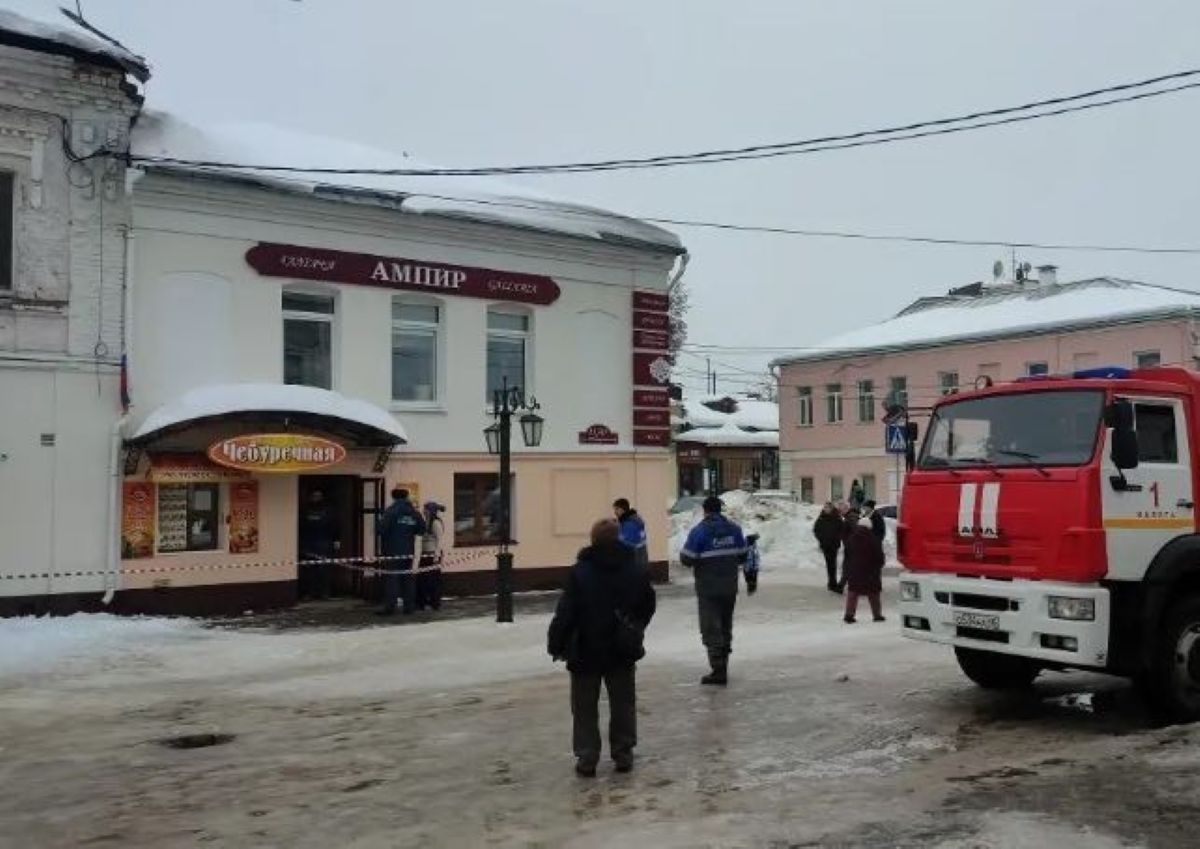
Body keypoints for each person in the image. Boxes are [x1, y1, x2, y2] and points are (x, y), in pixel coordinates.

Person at [547, 519, 657, 778]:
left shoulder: (580, 572)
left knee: (584, 707)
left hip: (585, 649)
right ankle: (623, 753)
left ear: (593, 539)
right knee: (623, 703)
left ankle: (587, 757)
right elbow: (648, 603)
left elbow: (566, 612)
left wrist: (556, 641)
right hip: (622, 648)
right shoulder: (635, 569)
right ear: (618, 537)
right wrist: (635, 627)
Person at [679, 496, 748, 686]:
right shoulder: (734, 529)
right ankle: (724, 664)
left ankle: (718, 670)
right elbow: (743, 555)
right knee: (726, 626)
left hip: (708, 588)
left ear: (705, 510)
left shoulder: (699, 531)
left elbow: (687, 558)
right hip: (729, 587)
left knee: (711, 628)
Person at [377, 488, 426, 615]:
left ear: (393, 497)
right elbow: (422, 529)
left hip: (392, 550)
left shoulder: (391, 511)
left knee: (392, 579)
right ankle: (409, 607)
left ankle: (390, 607)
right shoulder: (414, 512)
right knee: (408, 579)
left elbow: (381, 529)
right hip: (409, 550)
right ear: (407, 497)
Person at [843, 514, 886, 624]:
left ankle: (849, 615)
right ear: (869, 526)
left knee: (853, 593)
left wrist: (848, 568)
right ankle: (877, 615)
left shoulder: (851, 538)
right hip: (871, 571)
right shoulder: (874, 539)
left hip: (854, 570)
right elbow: (879, 556)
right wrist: (879, 566)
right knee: (874, 594)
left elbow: (847, 555)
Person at [298, 490, 339, 600]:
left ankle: (324, 592)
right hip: (308, 542)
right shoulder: (305, 510)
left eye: (318, 496)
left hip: (324, 542)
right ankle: (310, 593)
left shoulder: (329, 510)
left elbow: (335, 525)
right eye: (314, 496)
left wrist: (336, 540)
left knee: (324, 569)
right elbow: (300, 526)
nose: (316, 498)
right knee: (309, 569)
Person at [416, 501, 446, 611]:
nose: (424, 511)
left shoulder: (435, 523)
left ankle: (435, 602)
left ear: (431, 511)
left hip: (432, 554)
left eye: (426, 509)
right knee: (423, 579)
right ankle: (423, 601)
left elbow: (439, 540)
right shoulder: (427, 521)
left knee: (433, 580)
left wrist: (436, 556)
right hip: (425, 555)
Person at [813, 503, 844, 594]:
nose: (826, 509)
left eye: (827, 508)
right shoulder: (821, 518)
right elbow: (816, 529)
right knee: (829, 564)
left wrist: (837, 537)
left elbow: (842, 529)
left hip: (834, 544)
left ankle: (832, 583)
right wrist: (821, 538)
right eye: (825, 507)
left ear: (831, 508)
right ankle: (831, 582)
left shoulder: (837, 518)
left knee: (833, 564)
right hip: (825, 544)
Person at [613, 498, 649, 569]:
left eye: (616, 509)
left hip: (633, 564)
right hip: (640, 562)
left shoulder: (629, 524)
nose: (615, 512)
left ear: (622, 509)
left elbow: (626, 544)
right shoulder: (634, 521)